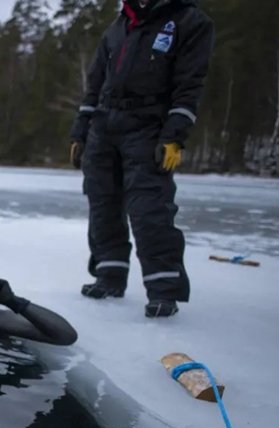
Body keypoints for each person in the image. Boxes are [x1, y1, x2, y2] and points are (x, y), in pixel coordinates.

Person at [68, 0, 215, 317]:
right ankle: (109, 276)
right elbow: (95, 83)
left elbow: (190, 84)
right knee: (103, 204)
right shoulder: (117, 27)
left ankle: (164, 291)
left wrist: (174, 134)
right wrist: (80, 131)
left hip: (148, 128)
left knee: (149, 208)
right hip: (104, 127)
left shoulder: (189, 22)